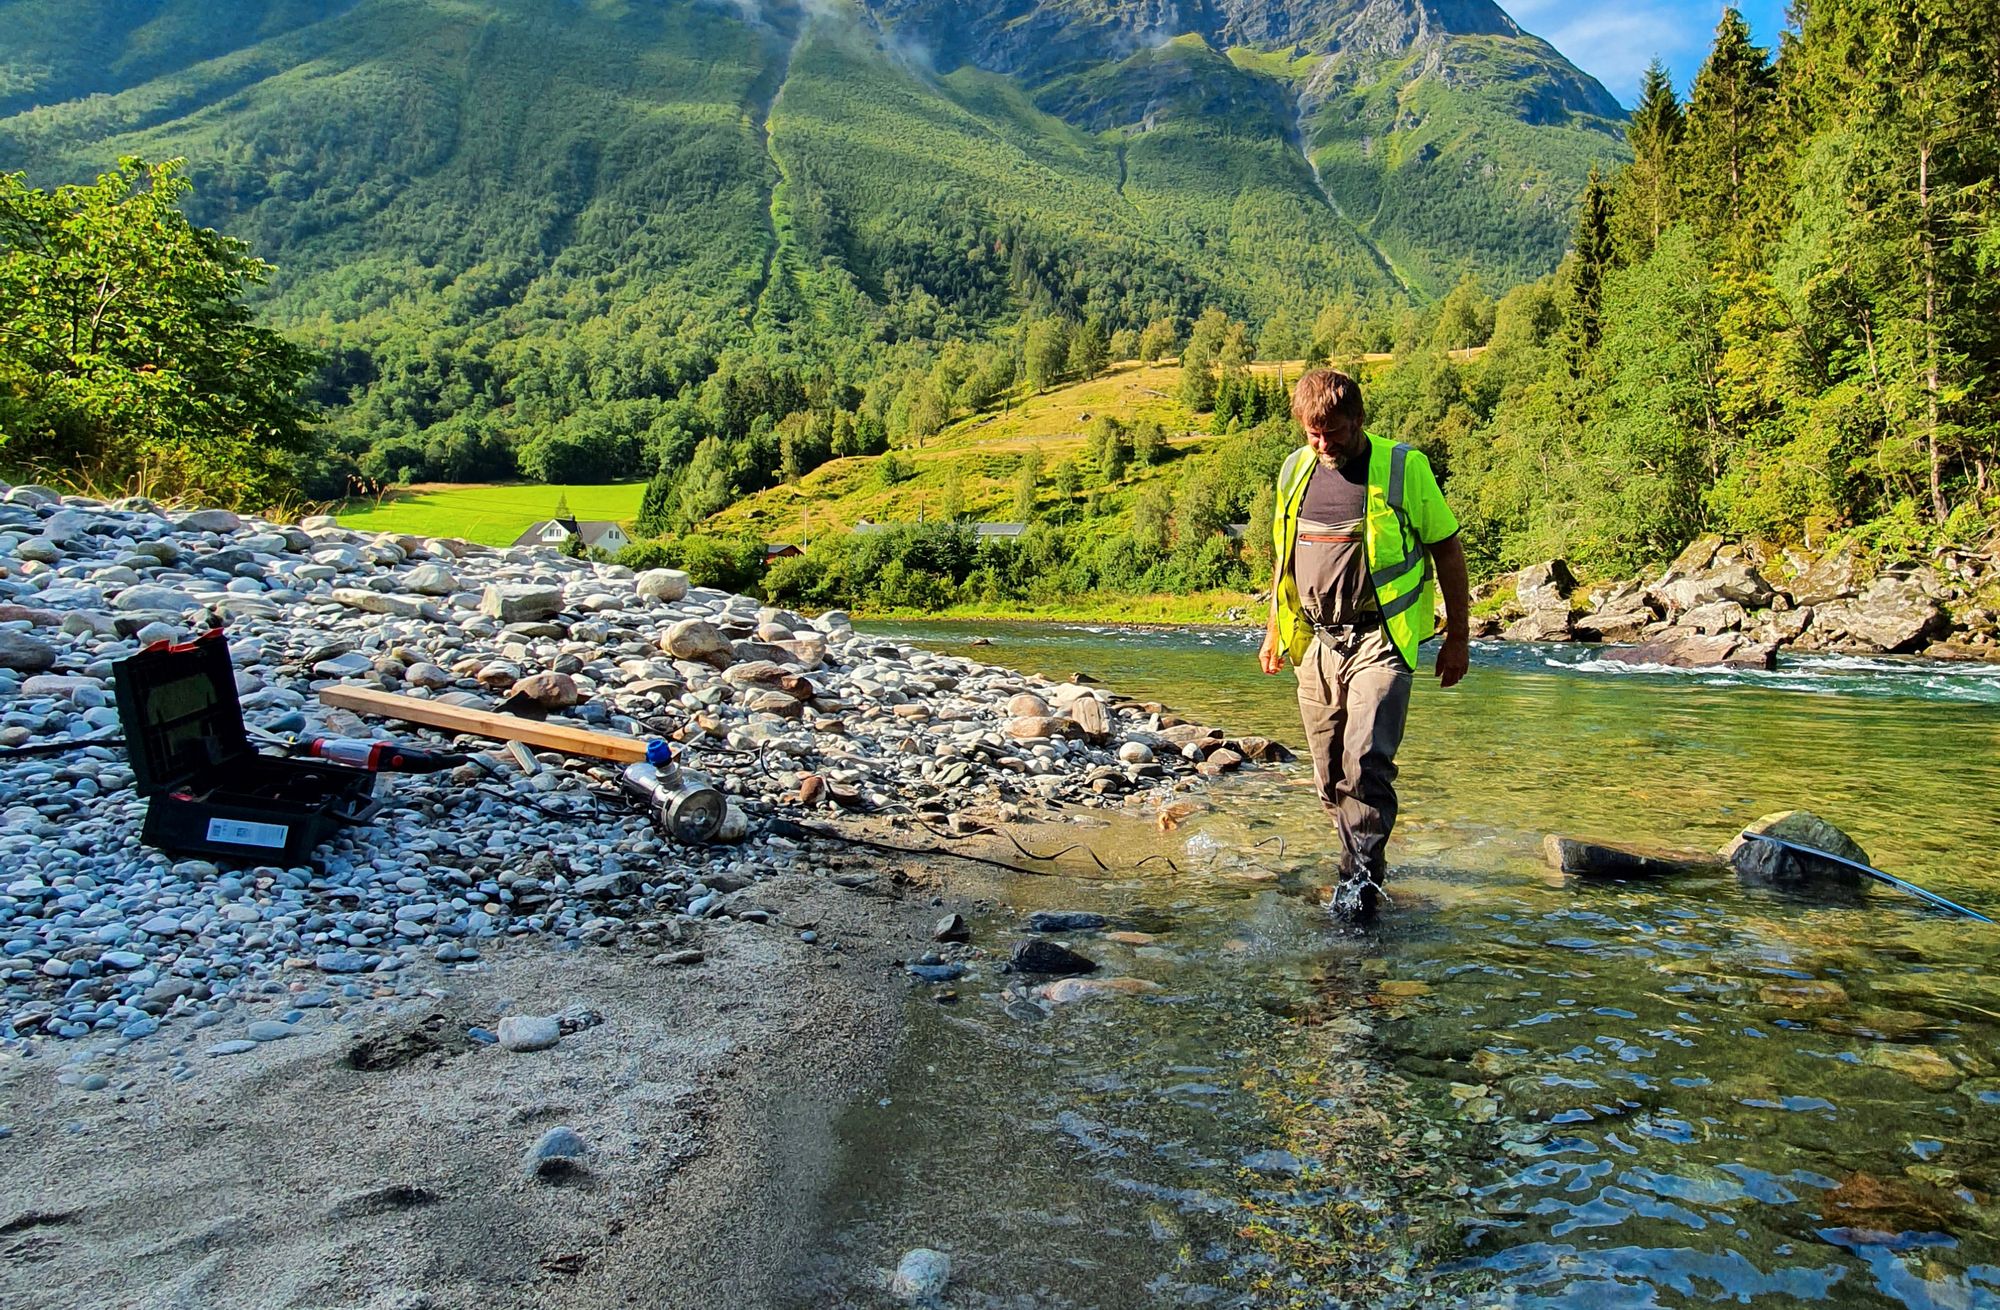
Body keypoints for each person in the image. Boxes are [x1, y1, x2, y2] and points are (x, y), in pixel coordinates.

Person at [1258, 369, 1470, 920]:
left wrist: (1458, 637)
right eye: (1312, 434)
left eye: (1334, 432)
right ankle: (1354, 863)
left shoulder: (1405, 467)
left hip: (1383, 639)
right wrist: (1274, 627)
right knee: (1329, 774)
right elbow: (1284, 554)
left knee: (1366, 763)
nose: (1324, 445)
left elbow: (1448, 549)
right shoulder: (1295, 469)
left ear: (1358, 420)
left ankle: (1360, 889)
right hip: (1318, 644)